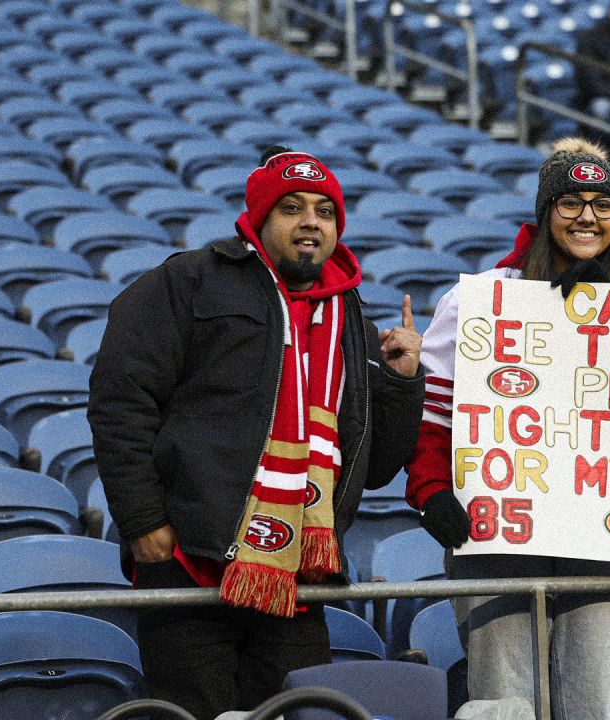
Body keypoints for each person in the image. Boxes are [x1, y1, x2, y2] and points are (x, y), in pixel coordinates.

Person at [88, 147, 425, 719]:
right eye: (292, 207)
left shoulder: (351, 320)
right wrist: (143, 522)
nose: (311, 221)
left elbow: (379, 465)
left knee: (298, 713)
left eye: (324, 210)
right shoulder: (188, 280)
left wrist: (400, 381)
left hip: (299, 575)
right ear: (261, 217)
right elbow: (121, 401)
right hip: (189, 566)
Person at [406, 138, 610, 720]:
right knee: (505, 707)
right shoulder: (479, 301)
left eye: (603, 203)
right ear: (543, 212)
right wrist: (431, 491)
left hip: (605, 545)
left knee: (598, 708)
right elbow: (434, 413)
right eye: (571, 201)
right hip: (499, 542)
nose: (588, 216)